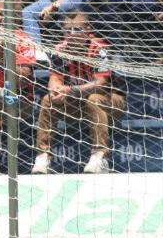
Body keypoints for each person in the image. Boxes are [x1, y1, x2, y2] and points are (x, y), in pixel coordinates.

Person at [31, 10, 123, 175]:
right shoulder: (60, 49)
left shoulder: (100, 48)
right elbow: (55, 78)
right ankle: (43, 157)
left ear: (88, 29)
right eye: (67, 31)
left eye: (77, 30)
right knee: (47, 99)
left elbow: (101, 84)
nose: (72, 35)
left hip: (111, 99)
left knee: (94, 99)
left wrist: (70, 90)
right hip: (76, 99)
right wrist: (55, 91)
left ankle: (99, 157)